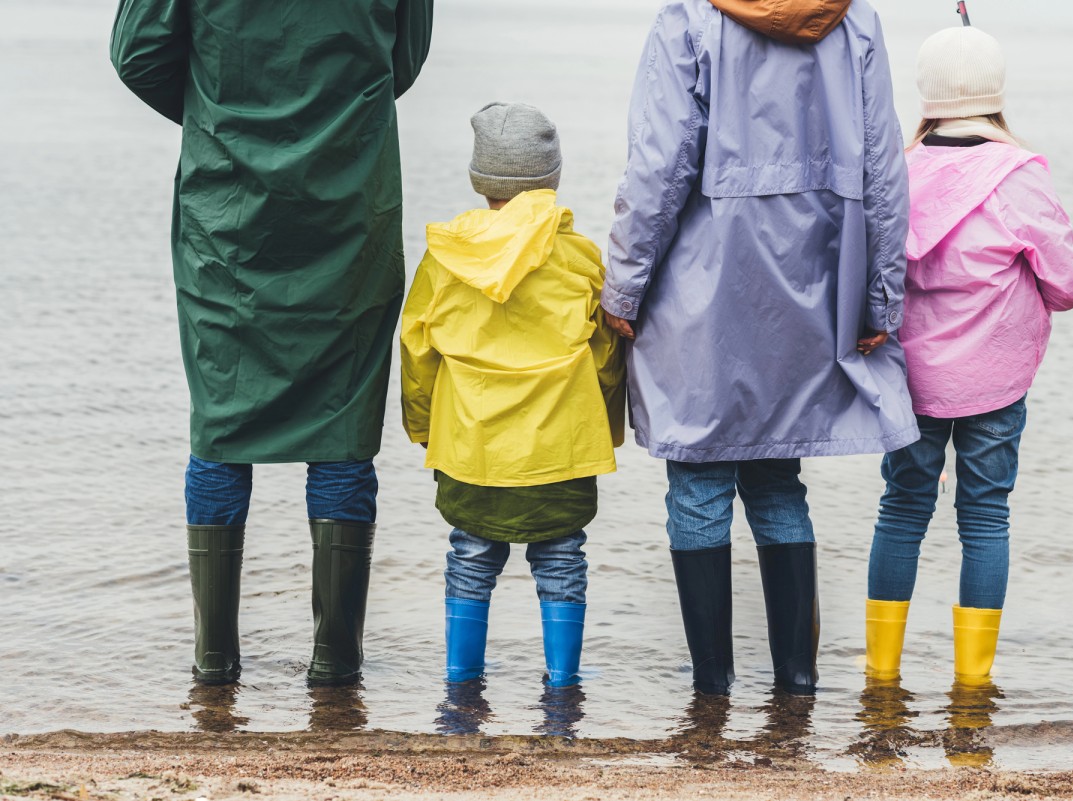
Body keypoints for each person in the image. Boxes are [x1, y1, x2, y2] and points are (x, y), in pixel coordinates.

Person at [109, 0, 435, 685]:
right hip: (349, 198)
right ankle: (336, 664)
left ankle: (214, 662)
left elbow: (137, 54)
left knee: (222, 422)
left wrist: (226, 112)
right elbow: (403, 58)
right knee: (343, 428)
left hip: (226, 207)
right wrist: (326, 117)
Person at [603, 0, 918, 696]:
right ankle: (797, 685)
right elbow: (885, 173)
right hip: (811, 283)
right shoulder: (854, 19)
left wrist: (622, 286)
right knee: (778, 479)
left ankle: (711, 690)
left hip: (704, 284)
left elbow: (657, 166)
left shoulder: (688, 19)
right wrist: (881, 294)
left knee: (698, 479)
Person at [863, 25, 1073, 685]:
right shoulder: (1019, 178)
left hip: (911, 381)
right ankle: (973, 679)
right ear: (996, 94)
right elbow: (1071, 283)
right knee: (986, 515)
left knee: (901, 507)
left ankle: (881, 671)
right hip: (996, 380)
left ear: (927, 94)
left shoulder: (896, 174)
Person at [400, 102, 625, 689]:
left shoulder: (446, 256)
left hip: (470, 442)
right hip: (561, 443)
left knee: (470, 558)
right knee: (561, 559)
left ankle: (461, 682)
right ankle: (563, 684)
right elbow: (605, 355)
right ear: (551, 177)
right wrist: (607, 425)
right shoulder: (579, 257)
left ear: (482, 180)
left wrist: (424, 425)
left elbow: (417, 347)